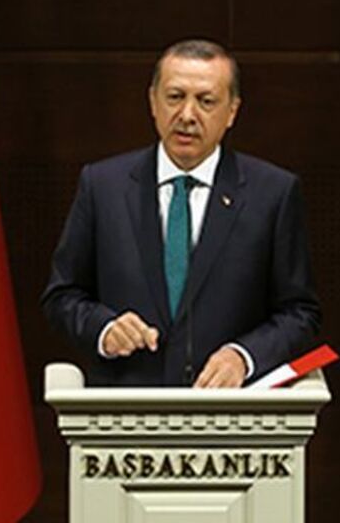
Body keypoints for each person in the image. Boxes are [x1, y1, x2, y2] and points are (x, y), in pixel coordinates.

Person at [41, 39, 320, 387]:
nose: (187, 115)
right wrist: (104, 329)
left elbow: (300, 313)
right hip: (126, 406)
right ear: (152, 102)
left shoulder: (273, 193)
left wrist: (243, 356)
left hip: (228, 409)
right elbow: (61, 296)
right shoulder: (102, 186)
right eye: (175, 97)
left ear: (232, 112)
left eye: (206, 101)